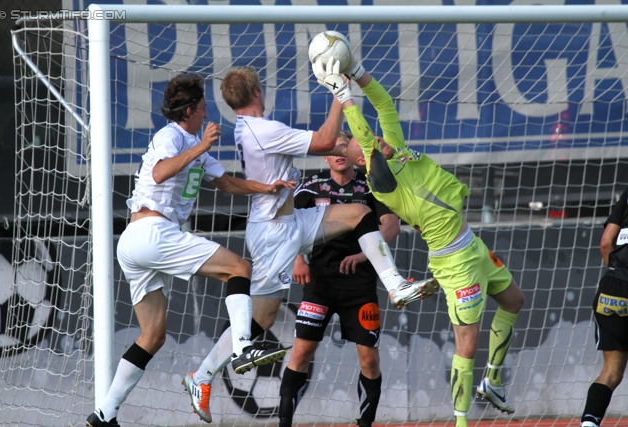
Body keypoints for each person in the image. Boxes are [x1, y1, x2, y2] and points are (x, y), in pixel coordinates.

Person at [187, 66, 438, 423]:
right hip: (274, 231)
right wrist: (340, 95)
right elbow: (323, 140)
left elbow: (331, 144)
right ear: (257, 92)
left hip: (290, 221)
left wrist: (360, 145)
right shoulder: (264, 129)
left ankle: (395, 284)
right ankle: (202, 375)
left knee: (356, 213)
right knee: (263, 316)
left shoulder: (255, 128)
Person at [311, 50, 525, 427]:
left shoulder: (398, 151)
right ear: (363, 159)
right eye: (363, 145)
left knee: (514, 300)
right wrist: (343, 97)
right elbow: (363, 135)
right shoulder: (383, 183)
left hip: (473, 245)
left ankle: (492, 380)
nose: (374, 137)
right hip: (455, 263)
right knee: (466, 345)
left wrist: (358, 72)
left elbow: (384, 104)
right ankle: (461, 421)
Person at [86, 73, 293, 427]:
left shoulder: (192, 142)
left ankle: (105, 414)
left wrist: (267, 187)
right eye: (203, 108)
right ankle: (244, 347)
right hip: (152, 232)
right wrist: (200, 147)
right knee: (240, 269)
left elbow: (227, 183)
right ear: (189, 110)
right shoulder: (172, 136)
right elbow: (161, 173)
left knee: (153, 336)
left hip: (137, 241)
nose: (207, 113)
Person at [278, 130, 401, 427]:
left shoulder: (369, 186)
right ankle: (283, 424)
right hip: (319, 284)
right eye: (332, 148)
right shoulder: (310, 188)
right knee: (301, 352)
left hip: (360, 286)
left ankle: (365, 423)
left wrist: (364, 255)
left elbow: (392, 227)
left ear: (352, 152)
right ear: (324, 156)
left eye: (343, 147)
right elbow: (284, 225)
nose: (337, 152)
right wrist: (297, 258)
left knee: (369, 360)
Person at [579, 187, 628, 427]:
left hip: (612, 289)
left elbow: (605, 243)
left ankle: (589, 423)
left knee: (611, 372)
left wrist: (617, 274)